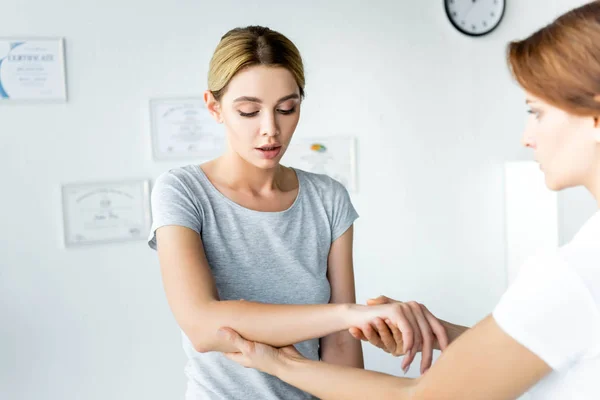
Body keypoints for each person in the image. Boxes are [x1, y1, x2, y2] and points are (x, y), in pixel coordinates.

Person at [218, 2, 600, 399]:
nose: (527, 136)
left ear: (594, 117)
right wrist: (440, 334)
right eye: (249, 110)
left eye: (536, 111)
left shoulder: (574, 275)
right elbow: (556, 342)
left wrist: (280, 362)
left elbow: (419, 398)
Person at [148, 26, 455, 400]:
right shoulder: (182, 191)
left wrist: (351, 321)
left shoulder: (327, 198)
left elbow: (341, 349)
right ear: (215, 108)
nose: (270, 130)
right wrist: (346, 313)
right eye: (248, 111)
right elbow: (204, 326)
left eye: (286, 109)